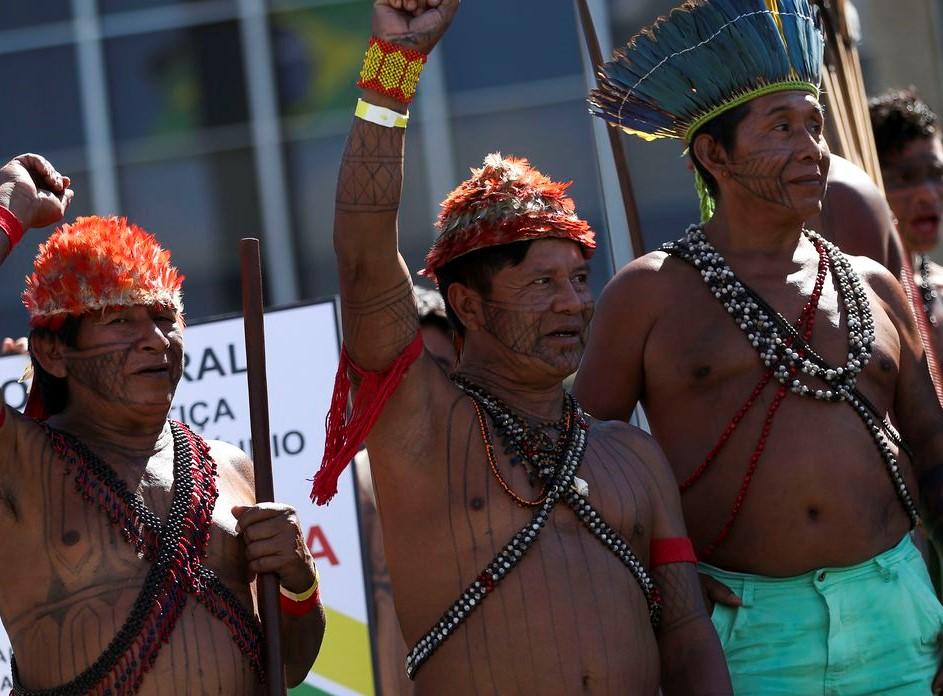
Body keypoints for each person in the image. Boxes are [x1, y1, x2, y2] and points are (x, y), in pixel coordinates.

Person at [314, 0, 731, 693]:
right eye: (541, 283)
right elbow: (361, 256)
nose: (573, 302)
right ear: (467, 306)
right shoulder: (423, 429)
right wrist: (394, 65)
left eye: (576, 278)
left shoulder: (632, 454)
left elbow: (688, 639)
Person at [577, 1, 943, 693]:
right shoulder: (648, 295)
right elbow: (586, 464)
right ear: (713, 155)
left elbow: (933, 449)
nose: (811, 150)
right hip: (745, 638)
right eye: (781, 128)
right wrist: (667, 587)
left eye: (815, 126)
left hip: (897, 620)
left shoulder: (870, 285)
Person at [0, 153, 324, 694]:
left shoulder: (230, 466)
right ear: (53, 353)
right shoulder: (18, 463)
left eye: (164, 317)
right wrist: (7, 211)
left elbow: (288, 669)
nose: (155, 339)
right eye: (121, 319)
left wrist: (298, 584)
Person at [353, 284, 455, 696]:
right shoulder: (355, 488)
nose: (425, 389)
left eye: (442, 369)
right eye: (408, 372)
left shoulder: (509, 474)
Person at [870, 89, 943, 363]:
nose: (928, 194)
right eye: (905, 177)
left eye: (937, 174)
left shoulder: (938, 286)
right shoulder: (855, 297)